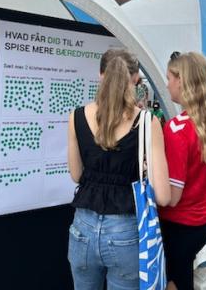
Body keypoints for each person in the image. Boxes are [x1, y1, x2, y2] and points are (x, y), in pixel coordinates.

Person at [67, 49, 170, 290]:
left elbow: (76, 175)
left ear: (101, 75)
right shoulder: (148, 122)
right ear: (135, 79)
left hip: (82, 227)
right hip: (126, 231)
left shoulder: (76, 116)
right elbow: (163, 196)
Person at [158, 51, 206, 290]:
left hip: (178, 225)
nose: (167, 84)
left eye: (169, 78)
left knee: (175, 283)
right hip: (202, 225)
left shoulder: (176, 128)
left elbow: (172, 196)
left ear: (182, 81)